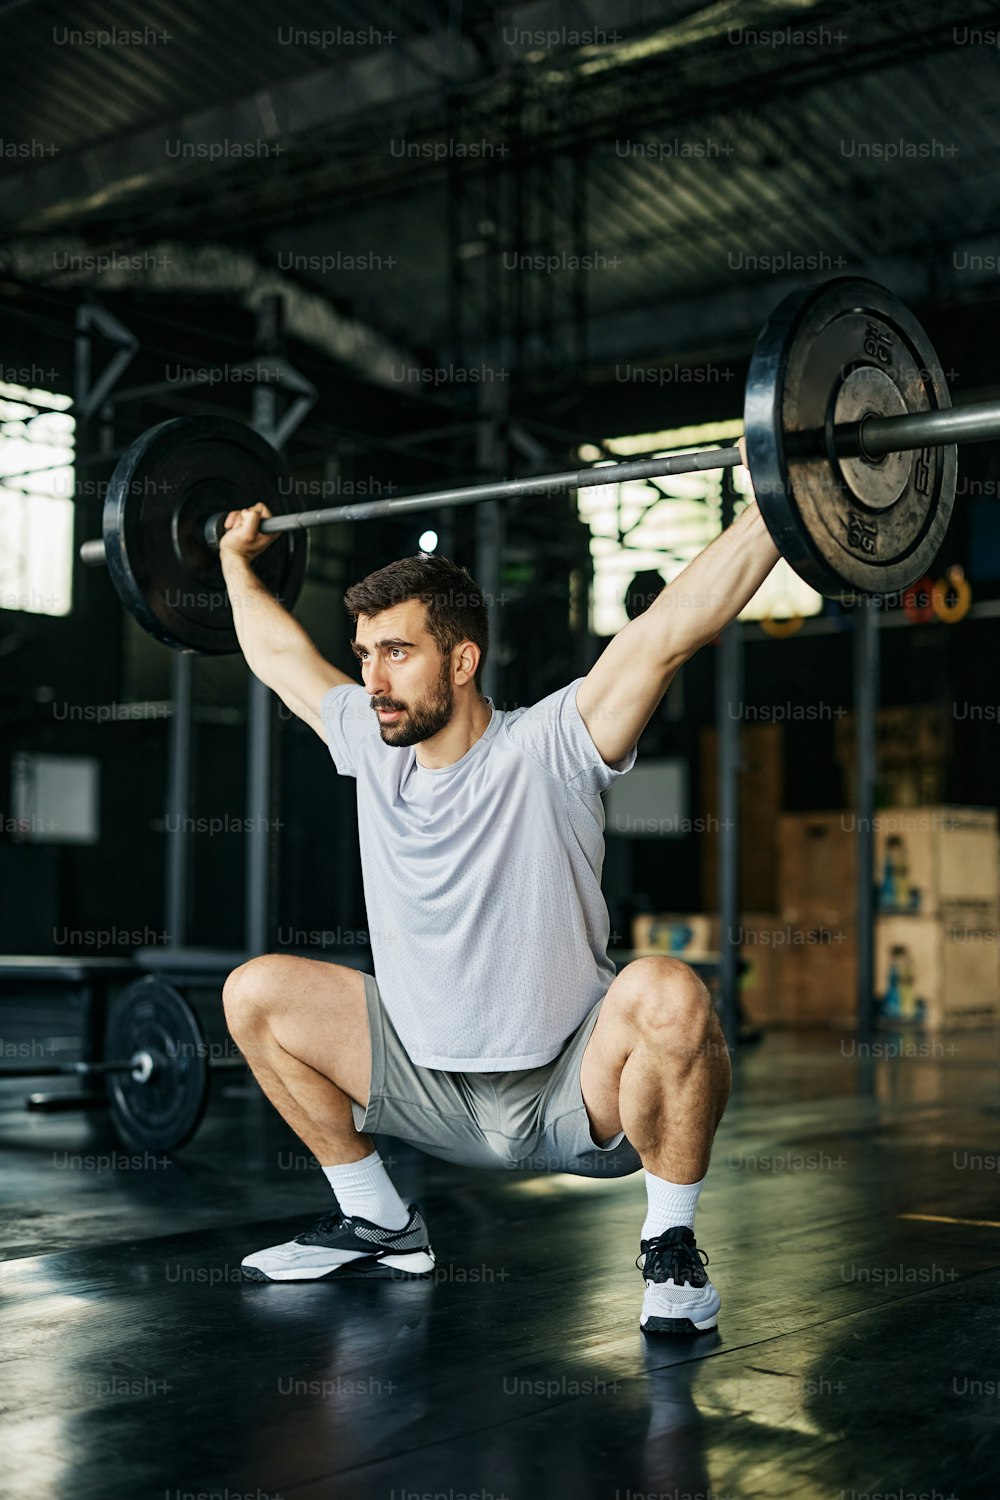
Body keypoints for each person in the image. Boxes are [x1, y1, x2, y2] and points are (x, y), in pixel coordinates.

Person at [219, 444, 780, 1332]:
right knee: (255, 993)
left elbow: (672, 630)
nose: (373, 679)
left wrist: (775, 499)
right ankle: (380, 1219)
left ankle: (671, 1250)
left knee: (669, 993)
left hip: (572, 1097)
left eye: (397, 653)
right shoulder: (372, 744)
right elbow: (279, 656)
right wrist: (230, 564)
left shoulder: (551, 744)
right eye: (365, 653)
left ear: (463, 659)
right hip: (426, 1086)